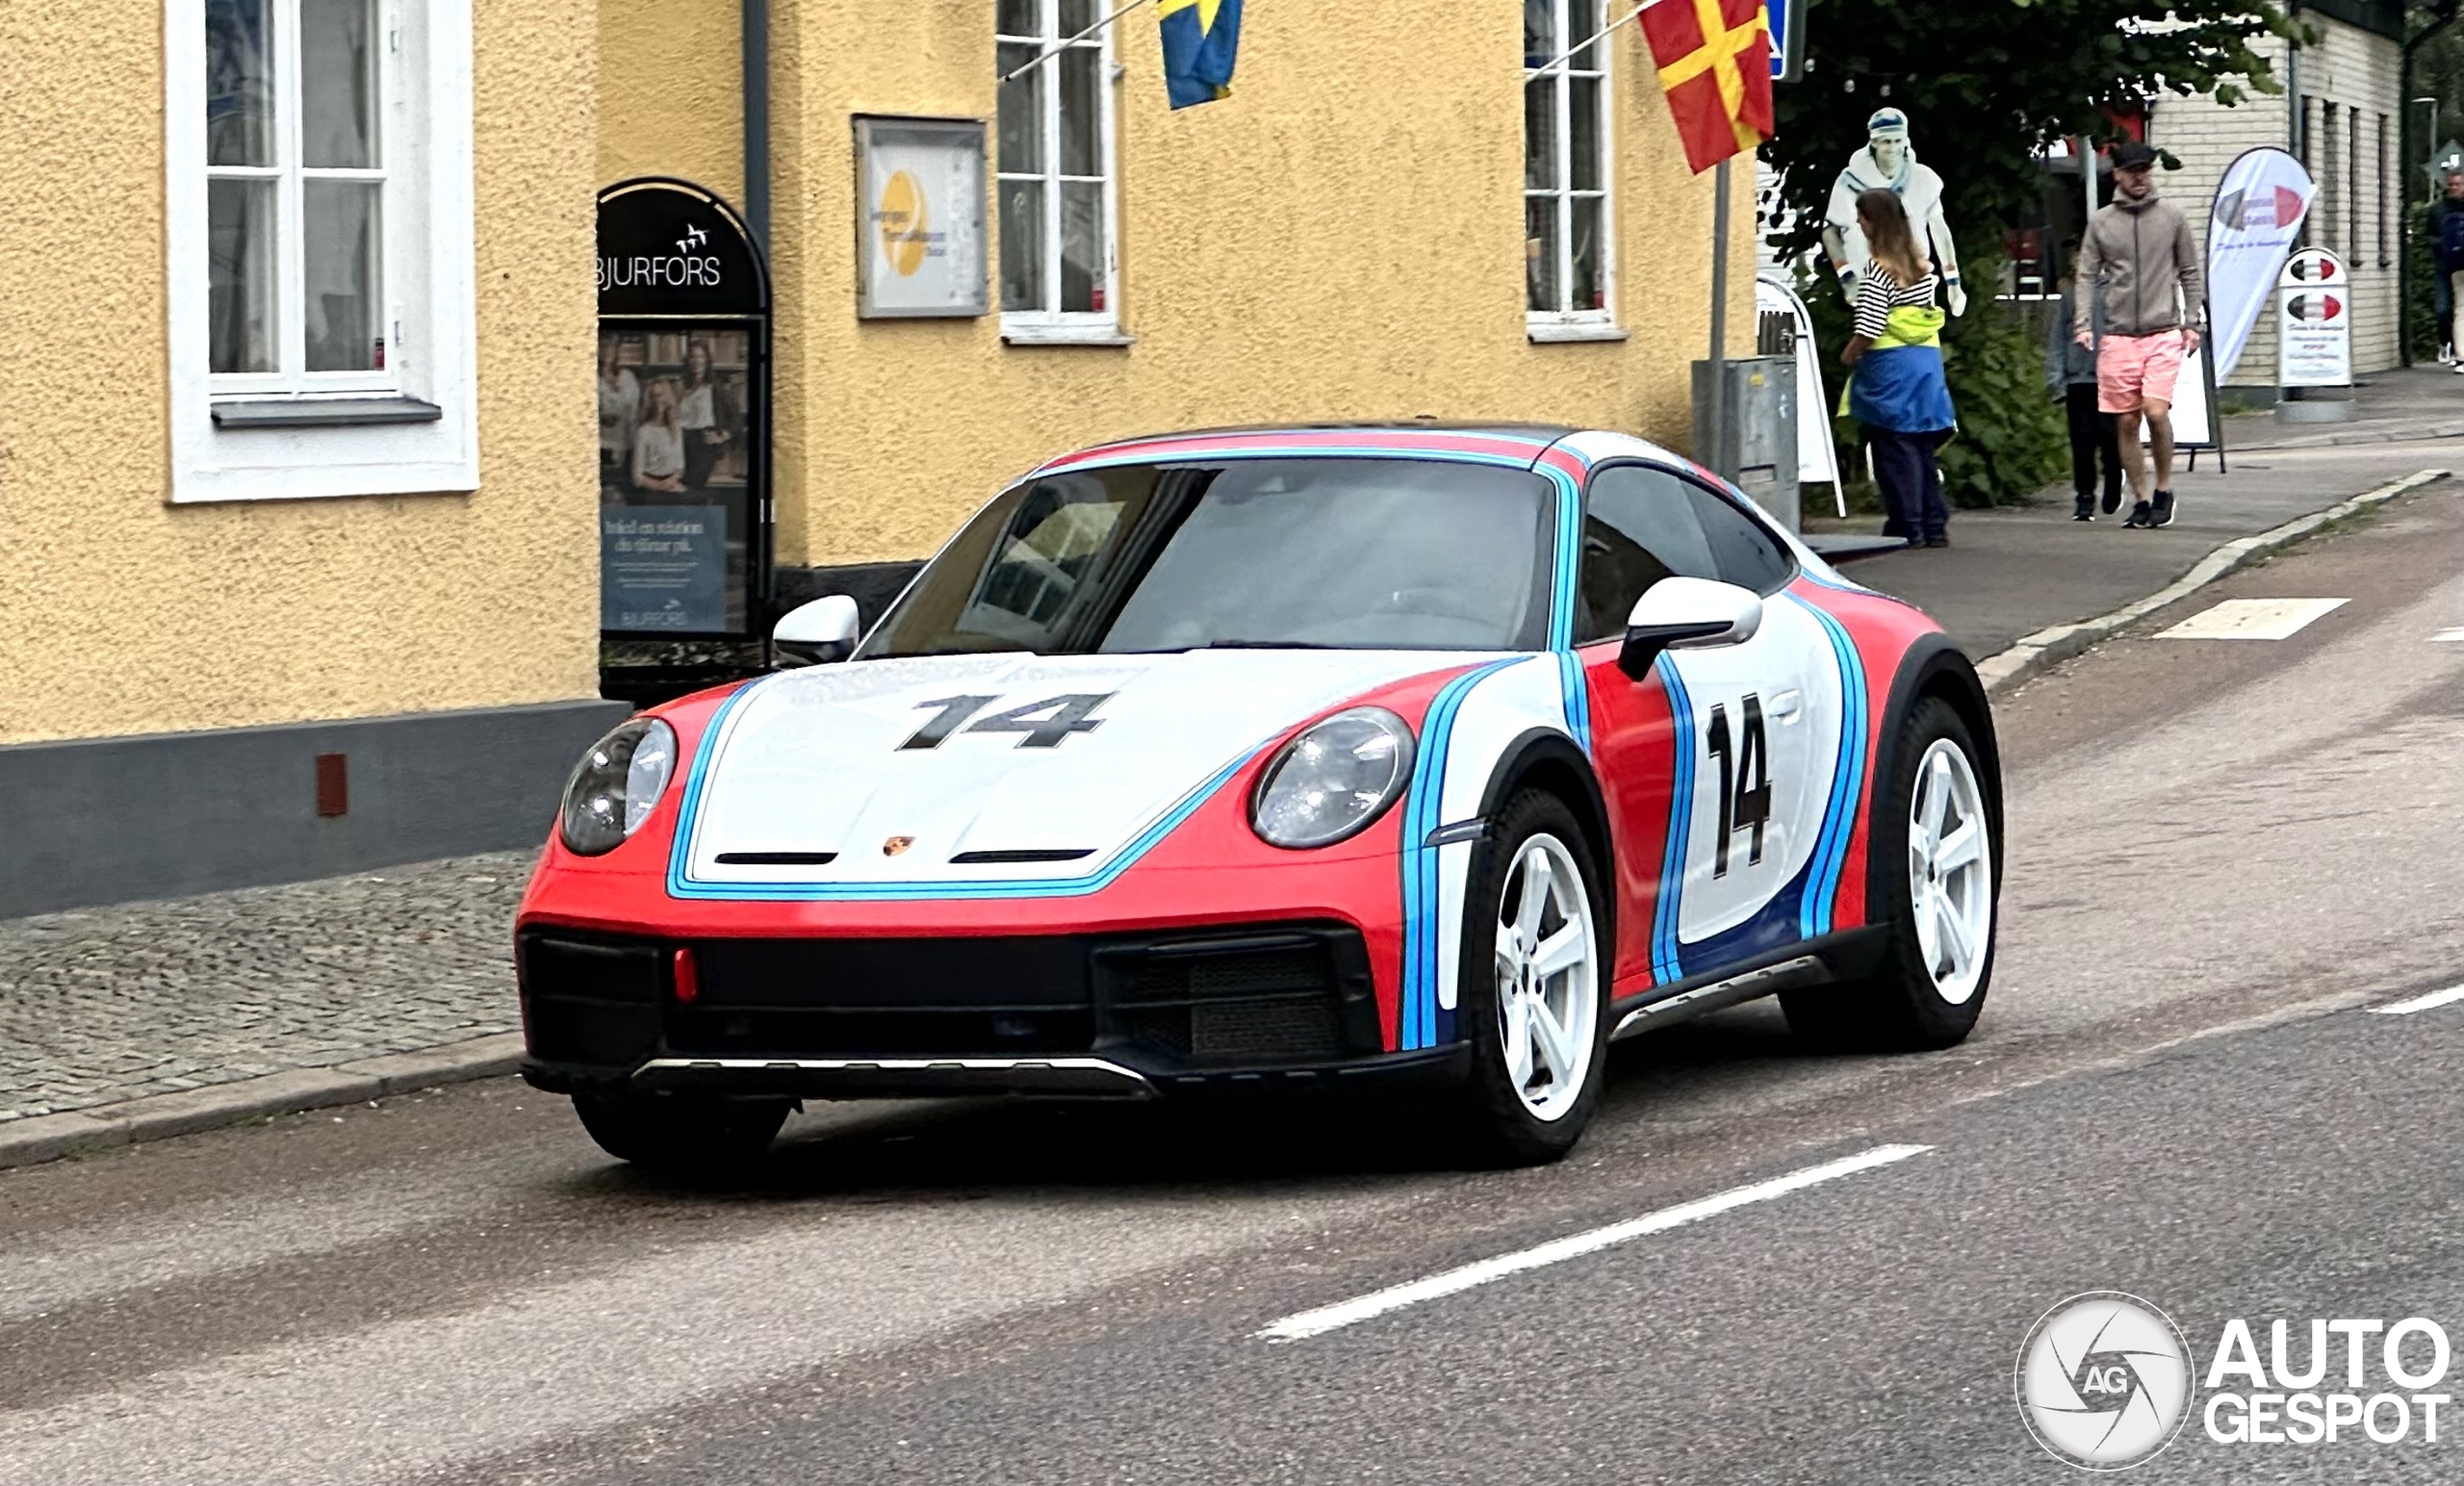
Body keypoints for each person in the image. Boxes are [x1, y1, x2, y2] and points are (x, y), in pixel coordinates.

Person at [2073, 141, 2202, 529]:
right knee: (2126, 422)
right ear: (2118, 175)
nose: (2140, 177)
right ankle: (2142, 498)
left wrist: (2192, 321)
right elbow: (2086, 274)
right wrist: (2082, 323)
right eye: (2132, 171)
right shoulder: (2101, 222)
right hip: (2118, 334)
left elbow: (2189, 270)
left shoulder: (2172, 218)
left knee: (2155, 411)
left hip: (2162, 329)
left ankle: (2164, 488)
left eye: (2145, 170)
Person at [1841, 188, 1957, 549]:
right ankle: (1934, 523)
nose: (1858, 222)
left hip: (1890, 366)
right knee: (1921, 444)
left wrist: (1850, 353)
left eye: (1862, 216)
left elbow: (1870, 326)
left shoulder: (1878, 270)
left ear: (1874, 222)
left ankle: (1908, 524)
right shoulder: (1921, 265)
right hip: (1924, 361)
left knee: (1894, 445)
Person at [2046, 244, 2122, 521]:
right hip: (2078, 379)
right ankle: (2084, 497)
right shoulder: (2070, 295)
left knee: (2110, 437)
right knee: (2082, 441)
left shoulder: (2115, 292)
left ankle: (2114, 478)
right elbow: (2057, 337)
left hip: (2109, 378)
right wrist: (2056, 377)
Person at [677, 339, 744, 488]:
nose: (696, 361)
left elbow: (737, 418)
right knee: (679, 488)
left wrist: (723, 435)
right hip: (680, 442)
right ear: (687, 361)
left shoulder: (716, 388)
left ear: (707, 360)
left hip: (702, 443)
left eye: (700, 357)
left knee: (693, 489)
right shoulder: (682, 387)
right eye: (693, 357)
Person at [596, 337, 641, 494]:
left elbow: (635, 412)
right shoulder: (591, 377)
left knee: (626, 492)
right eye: (603, 346)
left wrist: (632, 444)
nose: (607, 351)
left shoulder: (628, 377)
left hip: (626, 444)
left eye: (611, 347)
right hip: (599, 444)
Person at [2431, 171, 2464, 371]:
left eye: (2458, 184)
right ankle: (2448, 345)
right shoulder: (2437, 210)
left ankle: (2459, 353)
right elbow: (2430, 235)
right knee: (2444, 310)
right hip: (2447, 265)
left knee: (2460, 309)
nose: (2454, 188)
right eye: (2451, 184)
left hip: (2457, 266)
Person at [631, 378, 687, 494]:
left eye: (660, 395)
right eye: (653, 396)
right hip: (651, 485)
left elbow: (680, 466)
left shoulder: (676, 428)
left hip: (672, 482)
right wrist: (661, 486)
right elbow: (637, 476)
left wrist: (671, 482)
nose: (657, 401)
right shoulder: (644, 431)